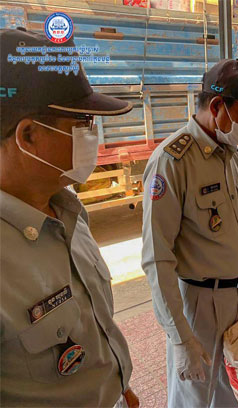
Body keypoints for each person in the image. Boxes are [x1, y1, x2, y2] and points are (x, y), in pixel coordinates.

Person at [0, 28, 137, 407]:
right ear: (29, 136)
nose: (93, 135)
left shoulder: (67, 209)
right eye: (82, 123)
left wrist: (118, 386)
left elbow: (91, 323)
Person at [142, 59, 238, 407]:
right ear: (217, 106)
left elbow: (237, 233)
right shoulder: (172, 161)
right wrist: (180, 338)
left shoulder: (228, 153)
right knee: (196, 399)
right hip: (200, 306)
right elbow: (157, 259)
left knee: (235, 393)